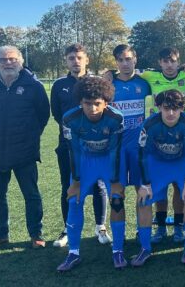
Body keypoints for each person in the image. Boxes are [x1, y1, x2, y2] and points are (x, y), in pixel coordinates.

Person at [0, 45, 50, 252]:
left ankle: (36, 234)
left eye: (12, 59)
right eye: (3, 60)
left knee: (31, 195)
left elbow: (43, 115)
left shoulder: (34, 86)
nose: (8, 63)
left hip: (25, 152)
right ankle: (1, 236)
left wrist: (29, 137)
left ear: (21, 61)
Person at [56, 76, 123, 272]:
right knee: (74, 200)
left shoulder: (116, 117)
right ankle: (73, 253)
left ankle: (118, 250)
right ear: (80, 102)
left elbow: (115, 151)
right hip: (84, 162)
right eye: (87, 104)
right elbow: (74, 151)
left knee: (117, 200)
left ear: (106, 102)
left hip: (107, 161)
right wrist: (76, 181)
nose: (92, 109)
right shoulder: (70, 118)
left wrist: (116, 181)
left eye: (97, 104)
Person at [50, 44, 110, 248]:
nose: (75, 61)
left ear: (87, 60)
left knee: (99, 185)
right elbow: (57, 114)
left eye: (79, 57)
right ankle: (68, 228)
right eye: (71, 58)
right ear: (66, 61)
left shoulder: (98, 82)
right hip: (67, 146)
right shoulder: (59, 85)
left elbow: (106, 108)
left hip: (95, 145)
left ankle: (100, 226)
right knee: (68, 186)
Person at [136, 89, 185, 265]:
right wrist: (146, 184)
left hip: (180, 163)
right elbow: (142, 155)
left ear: (182, 108)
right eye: (166, 108)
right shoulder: (149, 125)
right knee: (143, 199)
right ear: (158, 107)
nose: (171, 113)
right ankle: (145, 248)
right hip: (158, 164)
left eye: (175, 108)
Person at [107, 44, 152, 268]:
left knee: (143, 194)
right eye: (121, 60)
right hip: (116, 151)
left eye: (129, 59)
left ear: (135, 59)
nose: (125, 63)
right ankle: (118, 248)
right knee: (116, 198)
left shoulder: (145, 84)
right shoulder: (108, 84)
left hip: (140, 150)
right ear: (116, 62)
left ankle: (145, 246)